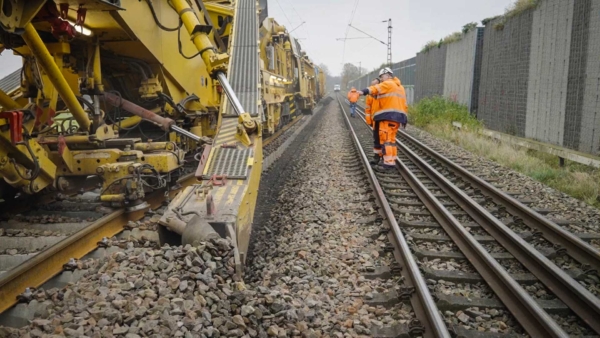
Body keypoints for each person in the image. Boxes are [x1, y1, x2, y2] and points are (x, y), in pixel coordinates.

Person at [357, 68, 408, 171]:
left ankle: (388, 164)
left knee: (387, 141)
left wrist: (362, 92)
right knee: (391, 141)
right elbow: (404, 105)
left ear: (387, 75)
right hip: (397, 118)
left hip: (388, 117)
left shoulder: (388, 84)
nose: (381, 79)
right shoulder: (400, 87)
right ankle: (391, 161)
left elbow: (374, 88)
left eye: (381, 77)